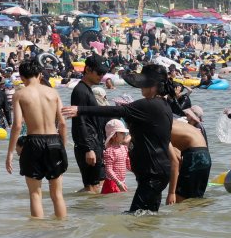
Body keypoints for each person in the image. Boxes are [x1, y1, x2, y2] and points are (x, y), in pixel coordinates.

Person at [63, 64, 174, 213]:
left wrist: (80, 110)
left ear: (153, 86)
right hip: (155, 171)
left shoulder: (150, 105)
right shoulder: (162, 105)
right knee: (148, 217)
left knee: (135, 218)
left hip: (152, 173)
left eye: (143, 84)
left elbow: (118, 110)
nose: (140, 89)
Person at [5, 58, 68, 219]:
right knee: (57, 194)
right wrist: (63, 147)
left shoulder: (19, 94)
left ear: (22, 77)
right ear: (40, 74)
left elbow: (17, 125)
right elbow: (62, 123)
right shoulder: (53, 93)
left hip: (33, 142)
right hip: (54, 140)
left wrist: (10, 153)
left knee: (35, 194)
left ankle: (38, 234)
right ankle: (62, 231)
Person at [70, 54, 110, 193]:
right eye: (99, 72)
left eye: (103, 73)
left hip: (94, 143)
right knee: (92, 187)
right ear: (87, 70)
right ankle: (83, 212)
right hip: (88, 145)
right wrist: (88, 149)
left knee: (98, 186)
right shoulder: (80, 91)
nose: (101, 76)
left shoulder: (88, 90)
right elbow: (80, 121)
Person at [167, 119, 212, 204]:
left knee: (180, 203)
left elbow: (175, 162)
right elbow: (178, 159)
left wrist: (171, 193)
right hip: (205, 156)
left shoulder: (159, 128)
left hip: (194, 157)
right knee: (195, 201)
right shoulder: (172, 122)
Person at [101, 119, 131, 194]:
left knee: (120, 203)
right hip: (112, 183)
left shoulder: (124, 148)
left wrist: (139, 172)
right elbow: (108, 170)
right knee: (113, 203)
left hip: (121, 182)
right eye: (122, 133)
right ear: (114, 135)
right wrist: (118, 183)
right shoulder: (109, 151)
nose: (125, 135)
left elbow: (128, 165)